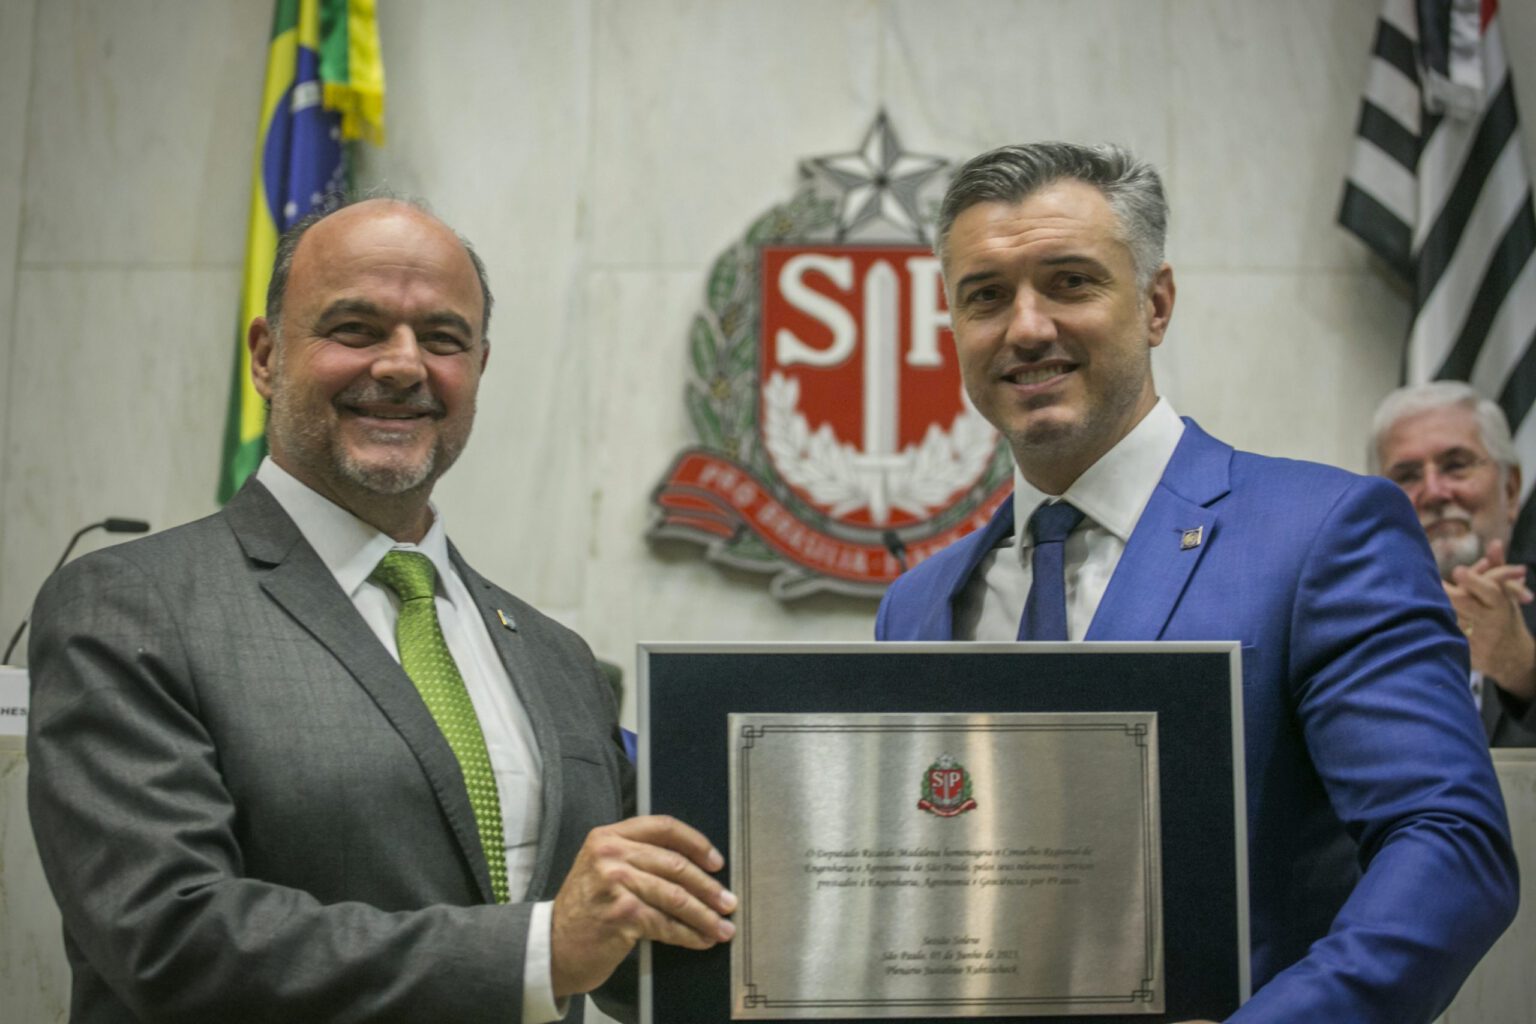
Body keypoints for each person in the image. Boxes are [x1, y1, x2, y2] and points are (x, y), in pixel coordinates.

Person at [25, 197, 734, 1023]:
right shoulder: (131, 606)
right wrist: (539, 952)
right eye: (356, 329)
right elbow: (169, 936)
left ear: (478, 367)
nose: (403, 366)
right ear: (265, 356)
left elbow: (625, 936)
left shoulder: (559, 657)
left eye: (442, 339)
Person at [875, 143, 1517, 1022]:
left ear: (1157, 305)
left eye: (1069, 282)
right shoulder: (917, 605)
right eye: (985, 295)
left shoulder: (1322, 532)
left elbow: (1450, 849)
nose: (1025, 327)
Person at [1372, 381, 1536, 746]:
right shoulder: (1347, 621)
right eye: (1408, 476)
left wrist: (1523, 669)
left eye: (1456, 466)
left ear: (1510, 490)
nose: (1434, 491)